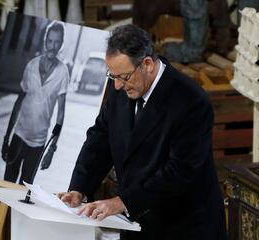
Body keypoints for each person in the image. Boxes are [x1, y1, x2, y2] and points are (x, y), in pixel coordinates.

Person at [58, 24, 228, 240]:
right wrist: (79, 188)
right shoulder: (124, 86)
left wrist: (123, 201)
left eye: (123, 77)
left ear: (147, 64)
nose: (117, 86)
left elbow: (180, 172)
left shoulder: (191, 100)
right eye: (113, 76)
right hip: (138, 223)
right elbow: (100, 139)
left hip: (184, 227)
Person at [2, 21, 69, 185]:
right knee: (6, 186)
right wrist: (6, 138)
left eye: (57, 42)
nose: (53, 46)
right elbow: (18, 103)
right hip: (19, 136)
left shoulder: (63, 72)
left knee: (24, 192)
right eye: (50, 41)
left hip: (38, 144)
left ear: (61, 44)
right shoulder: (31, 66)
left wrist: (52, 148)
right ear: (45, 41)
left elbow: (60, 115)